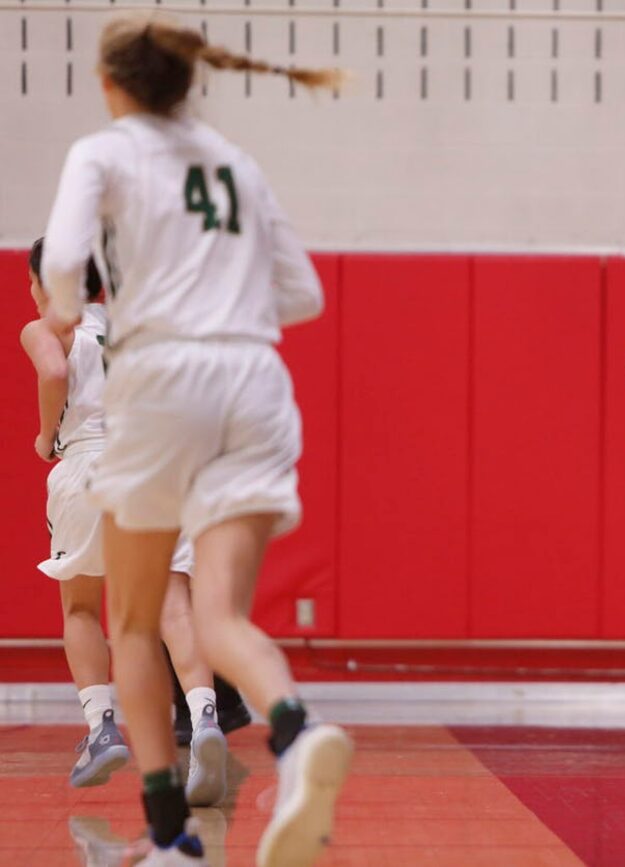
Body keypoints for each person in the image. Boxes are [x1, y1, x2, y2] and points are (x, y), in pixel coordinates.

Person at [41, 14, 352, 867]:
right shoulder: (238, 162)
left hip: (163, 383)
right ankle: (295, 731)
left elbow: (63, 264)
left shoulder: (102, 152)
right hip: (255, 382)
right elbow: (304, 295)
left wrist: (70, 309)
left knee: (135, 620)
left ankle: (172, 833)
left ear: (111, 84)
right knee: (214, 614)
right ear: (191, 83)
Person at [22, 238, 227, 807]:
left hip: (88, 462)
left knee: (82, 607)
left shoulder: (46, 325)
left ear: (44, 284)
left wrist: (46, 435)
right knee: (173, 604)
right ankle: (205, 716)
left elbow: (53, 368)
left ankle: (101, 729)